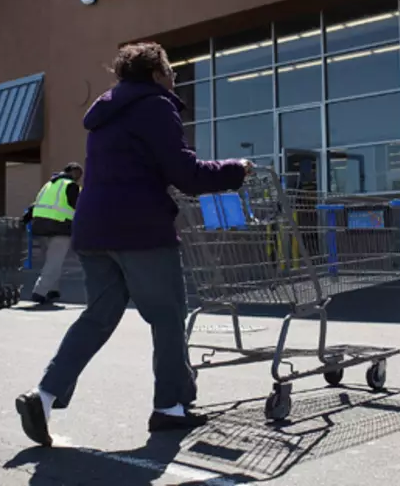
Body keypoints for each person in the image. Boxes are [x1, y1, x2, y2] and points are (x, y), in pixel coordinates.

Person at [15, 41, 253, 446]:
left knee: (98, 315)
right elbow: (186, 173)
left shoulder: (106, 112)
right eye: (171, 70)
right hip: (140, 229)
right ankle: (170, 408)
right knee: (167, 315)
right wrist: (235, 169)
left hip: (94, 229)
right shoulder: (156, 106)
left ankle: (45, 395)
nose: (175, 77)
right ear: (157, 73)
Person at [28, 162, 83, 305]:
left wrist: (26, 219)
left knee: (50, 260)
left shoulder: (49, 185)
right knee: (54, 261)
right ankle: (39, 291)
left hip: (40, 226)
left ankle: (52, 290)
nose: (79, 177)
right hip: (60, 226)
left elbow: (35, 204)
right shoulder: (71, 186)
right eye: (78, 174)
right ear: (71, 172)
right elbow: (78, 207)